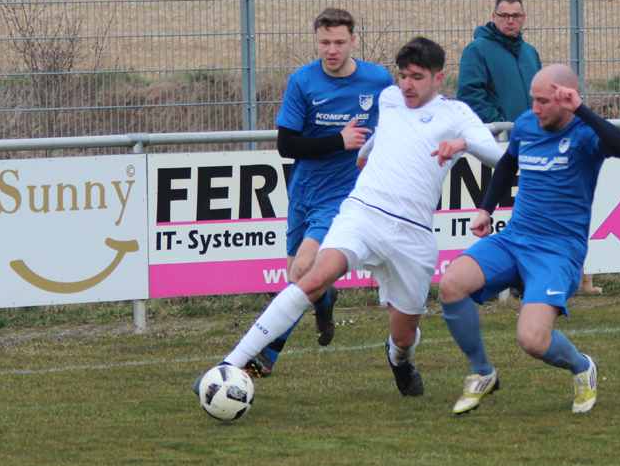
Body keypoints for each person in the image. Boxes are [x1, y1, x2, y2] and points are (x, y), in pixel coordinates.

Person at [195, 37, 504, 397]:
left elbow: (499, 157)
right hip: (363, 214)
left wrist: (463, 144)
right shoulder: (389, 99)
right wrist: (366, 152)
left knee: (404, 336)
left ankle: (399, 359)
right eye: (403, 75)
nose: (407, 85)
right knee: (313, 278)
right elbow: (386, 131)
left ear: (439, 78)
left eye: (417, 77)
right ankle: (228, 366)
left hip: (414, 236)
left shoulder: (457, 115)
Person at [438, 64, 620, 415]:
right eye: (533, 99)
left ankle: (582, 366)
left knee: (531, 340)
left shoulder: (584, 134)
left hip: (558, 251)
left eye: (543, 101)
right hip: (514, 238)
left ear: (567, 100)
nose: (535, 108)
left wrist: (582, 110)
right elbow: (507, 165)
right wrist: (485, 209)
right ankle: (482, 372)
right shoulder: (527, 124)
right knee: (451, 285)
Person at [243, 8, 394, 377]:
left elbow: (394, 127)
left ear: (353, 41)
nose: (332, 50)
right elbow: (286, 145)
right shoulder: (302, 81)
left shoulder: (378, 80)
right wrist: (338, 140)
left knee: (303, 269)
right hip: (304, 190)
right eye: (325, 42)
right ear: (316, 40)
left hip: (344, 195)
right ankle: (325, 301)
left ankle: (267, 354)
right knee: (297, 275)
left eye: (339, 42)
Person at [457, 0, 542, 123]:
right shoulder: (477, 50)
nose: (510, 21)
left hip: (530, 131)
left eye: (516, 16)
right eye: (504, 16)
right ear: (494, 17)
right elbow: (469, 96)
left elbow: (541, 95)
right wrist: (501, 125)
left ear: (523, 17)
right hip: (498, 133)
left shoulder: (530, 52)